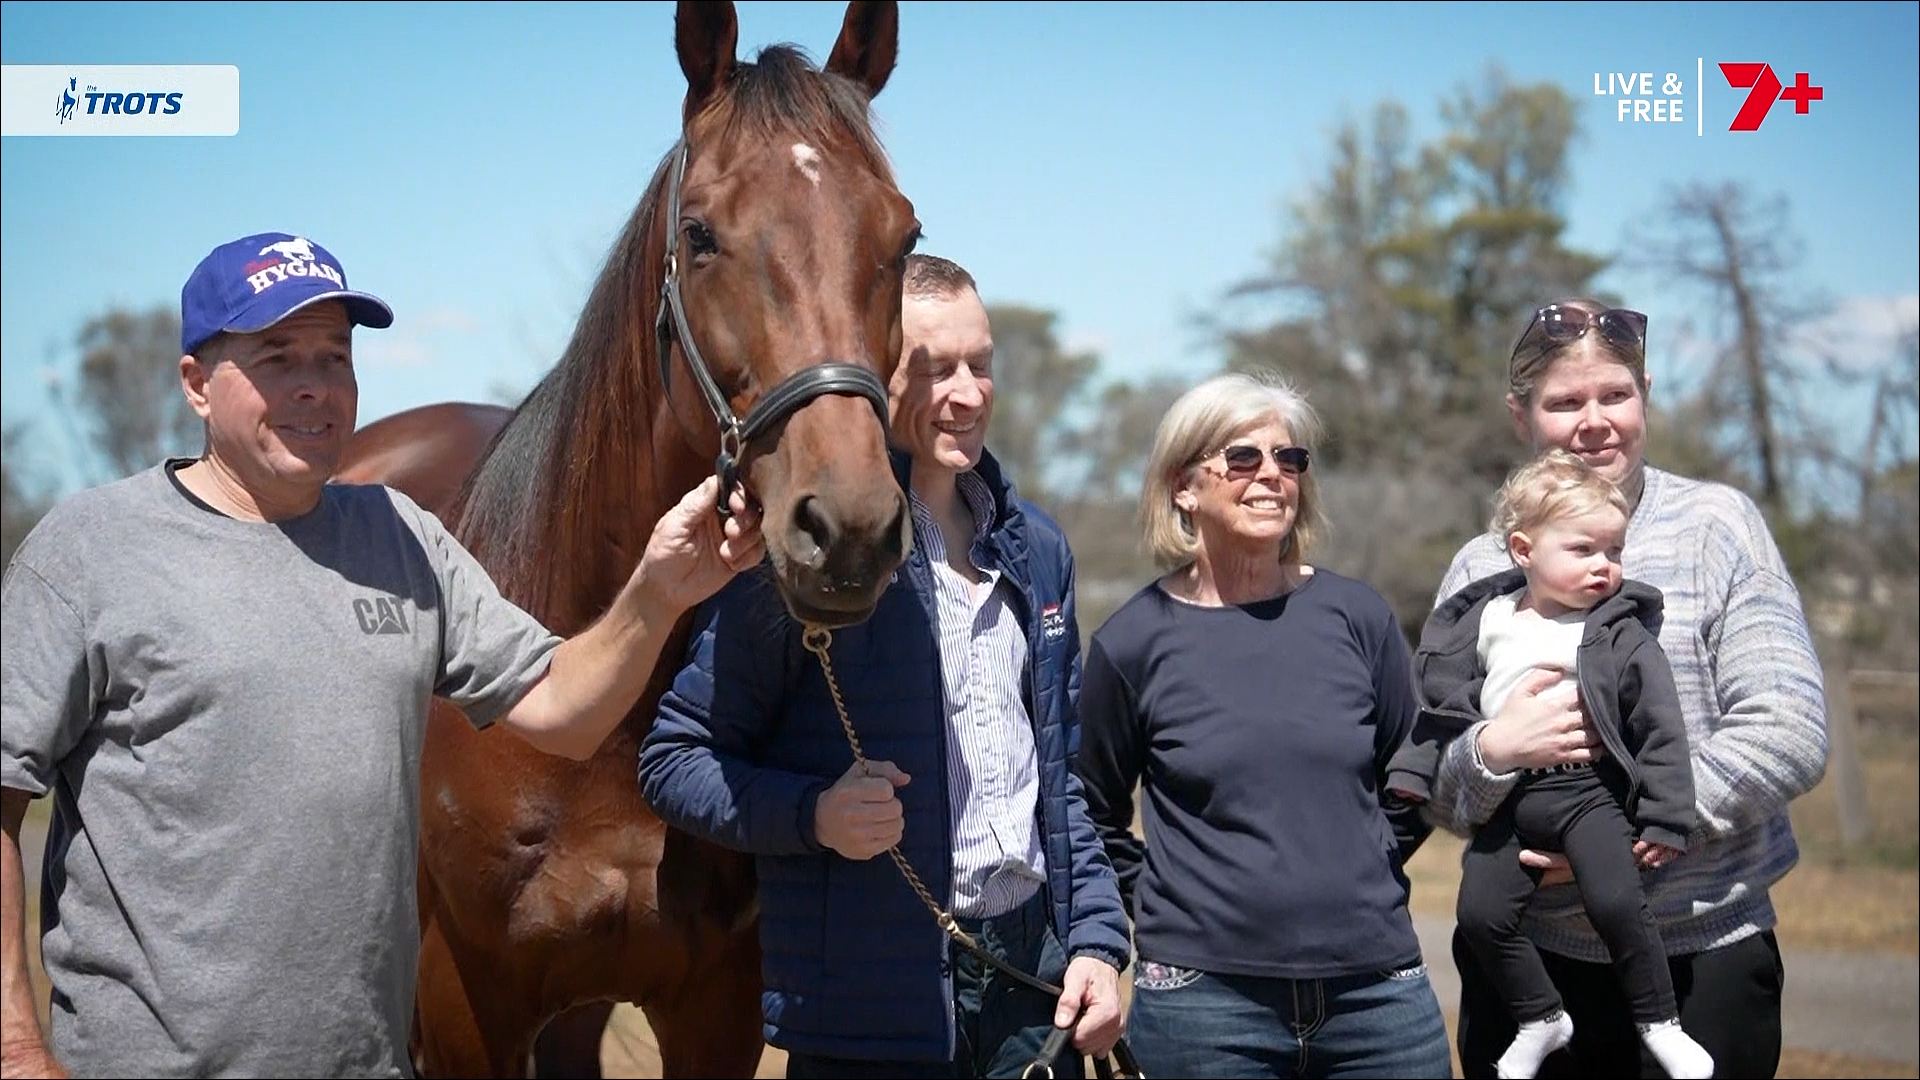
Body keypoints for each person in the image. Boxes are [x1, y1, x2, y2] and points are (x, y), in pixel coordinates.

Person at [0, 232, 765, 1079]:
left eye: (334, 356)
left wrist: (658, 590)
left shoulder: (400, 540)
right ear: (196, 384)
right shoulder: (90, 552)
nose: (315, 386)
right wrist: (16, 1047)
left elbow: (564, 708)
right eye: (277, 357)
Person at [638, 254, 1129, 1078]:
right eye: (934, 369)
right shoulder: (804, 553)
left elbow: (1062, 780)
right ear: (875, 376)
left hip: (1032, 993)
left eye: (980, 364)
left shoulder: (1040, 549)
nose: (967, 394)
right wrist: (816, 815)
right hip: (868, 1015)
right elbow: (674, 760)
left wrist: (1097, 943)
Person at [1427, 299, 1828, 1078]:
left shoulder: (1716, 527)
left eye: (1615, 394)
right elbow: (1435, 773)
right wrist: (1490, 753)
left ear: (1645, 396)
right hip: (1528, 964)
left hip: (1702, 953)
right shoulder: (1484, 566)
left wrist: (1621, 836)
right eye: (1564, 402)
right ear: (1521, 416)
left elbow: (1789, 726)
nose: (1594, 422)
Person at [1074, 370, 1451, 1079]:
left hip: (1378, 998)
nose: (1272, 474)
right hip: (1204, 1009)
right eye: (1243, 457)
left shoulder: (1358, 618)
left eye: (1289, 458)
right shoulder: (1132, 641)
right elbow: (1090, 809)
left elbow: (1412, 773)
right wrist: (1166, 899)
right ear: (1184, 487)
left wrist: (1365, 863)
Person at [1386, 450, 1711, 1079]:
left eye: (1614, 551)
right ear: (1523, 550)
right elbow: (1444, 706)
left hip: (1589, 798)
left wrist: (1667, 818)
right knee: (1480, 916)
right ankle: (1540, 1017)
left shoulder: (1619, 632)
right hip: (1511, 804)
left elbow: (1660, 727)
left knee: (1617, 903)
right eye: (1583, 549)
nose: (1604, 565)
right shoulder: (1487, 622)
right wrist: (1411, 771)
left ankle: (1661, 1024)